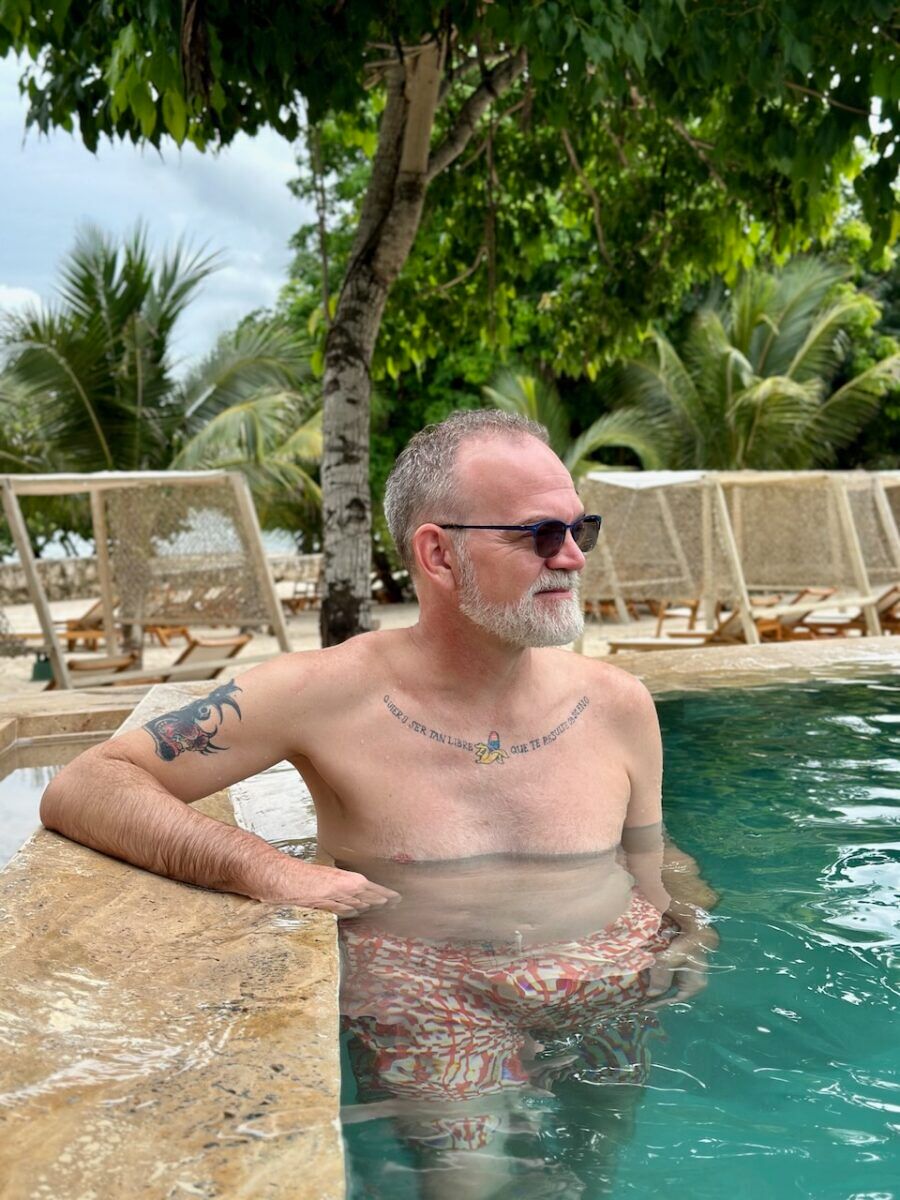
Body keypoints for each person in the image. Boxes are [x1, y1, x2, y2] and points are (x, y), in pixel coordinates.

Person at [41, 409, 718, 1193]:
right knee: (471, 1183)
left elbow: (651, 851)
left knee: (594, 1165)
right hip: (429, 989)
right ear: (439, 553)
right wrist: (269, 871)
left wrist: (689, 925)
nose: (571, 557)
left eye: (581, 529)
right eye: (539, 534)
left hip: (610, 976)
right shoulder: (325, 694)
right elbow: (88, 782)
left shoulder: (619, 703)